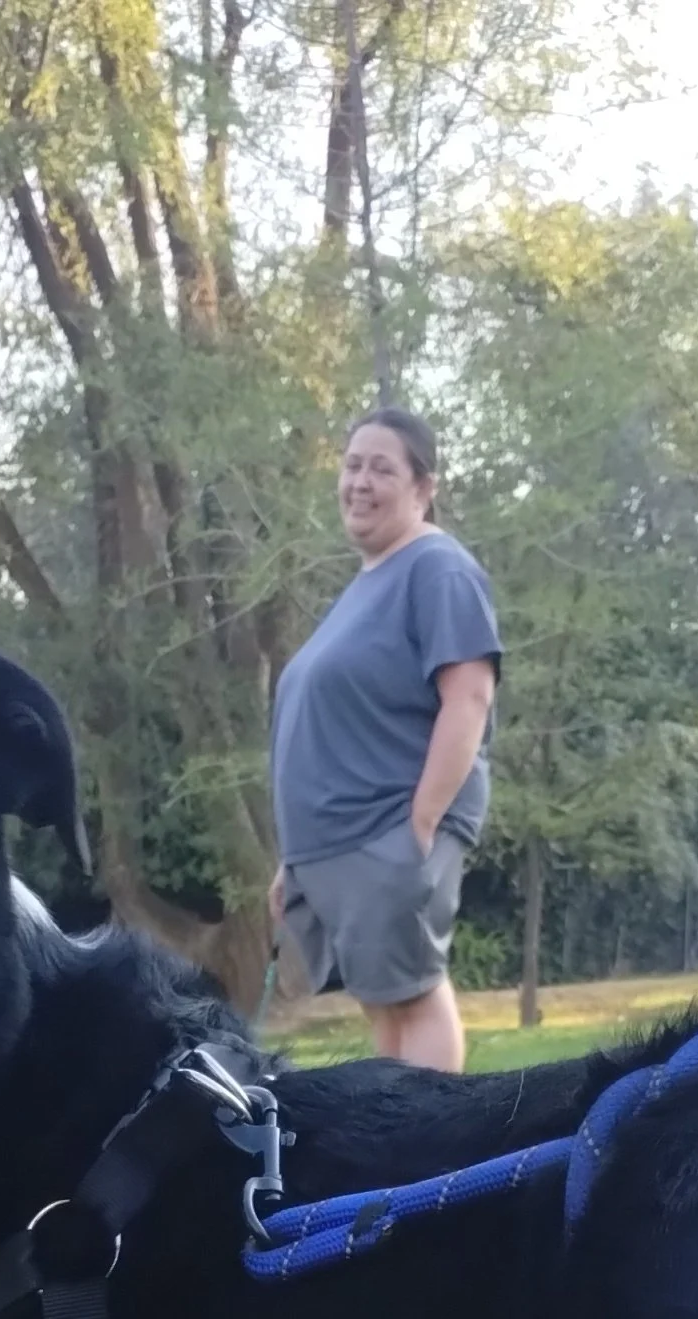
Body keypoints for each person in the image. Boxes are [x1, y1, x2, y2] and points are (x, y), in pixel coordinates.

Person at [269, 409, 500, 1072]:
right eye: (351, 465)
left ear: (424, 488)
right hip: (338, 841)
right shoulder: (366, 585)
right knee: (384, 1003)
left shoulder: (437, 568)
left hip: (390, 827)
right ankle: (400, 1152)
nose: (359, 482)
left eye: (382, 468)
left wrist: (421, 824)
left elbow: (469, 696)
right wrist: (296, 859)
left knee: (415, 995)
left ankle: (434, 1153)